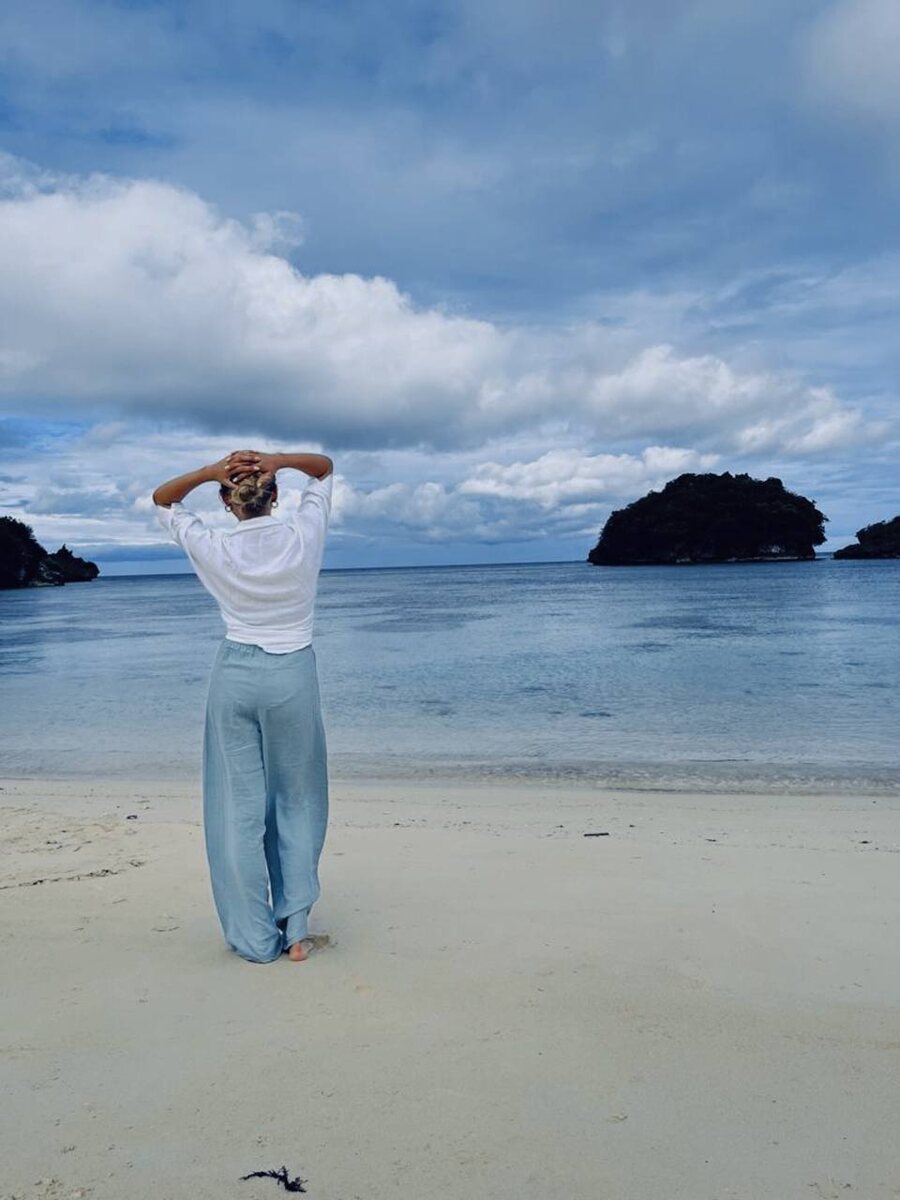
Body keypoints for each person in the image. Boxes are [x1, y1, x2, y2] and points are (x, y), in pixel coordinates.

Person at [152, 449, 334, 964]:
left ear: (226, 503)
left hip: (235, 674)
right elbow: (323, 468)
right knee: (298, 800)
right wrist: (279, 459)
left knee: (237, 807)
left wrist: (210, 472)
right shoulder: (302, 534)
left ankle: (255, 939)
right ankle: (295, 932)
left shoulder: (215, 547)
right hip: (292, 673)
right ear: (275, 495)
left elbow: (163, 500)